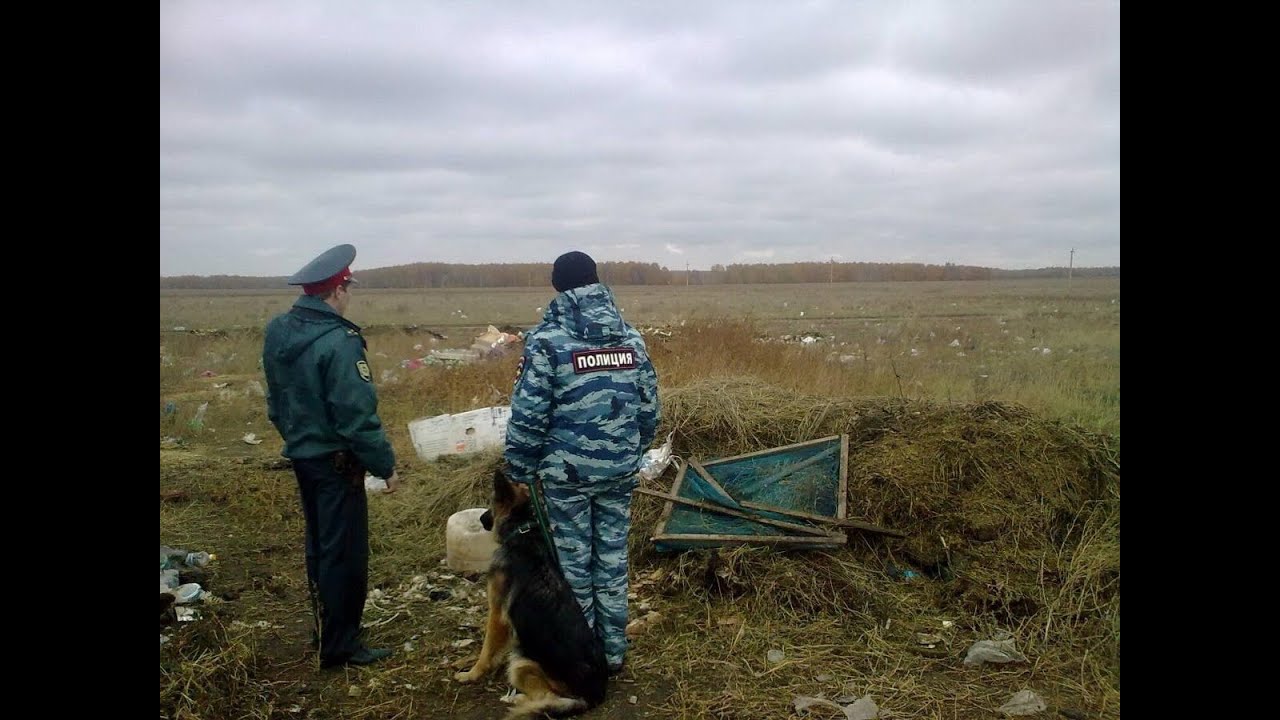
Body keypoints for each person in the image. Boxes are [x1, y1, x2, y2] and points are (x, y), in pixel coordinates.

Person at [504, 250, 661, 674]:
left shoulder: (546, 343)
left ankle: (583, 661)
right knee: (611, 562)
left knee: (572, 569)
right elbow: (650, 410)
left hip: (565, 477)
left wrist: (517, 471)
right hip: (619, 471)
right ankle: (612, 654)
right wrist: (631, 449)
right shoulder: (631, 338)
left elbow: (528, 416)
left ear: (557, 288)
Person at [262, 243, 399, 669]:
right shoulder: (339, 343)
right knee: (344, 554)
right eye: (348, 288)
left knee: (320, 548)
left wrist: (298, 438)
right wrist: (385, 466)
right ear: (337, 290)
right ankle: (341, 645)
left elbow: (277, 401)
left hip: (305, 457)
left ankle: (324, 630)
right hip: (337, 463)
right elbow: (356, 417)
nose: (350, 295)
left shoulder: (279, 331)